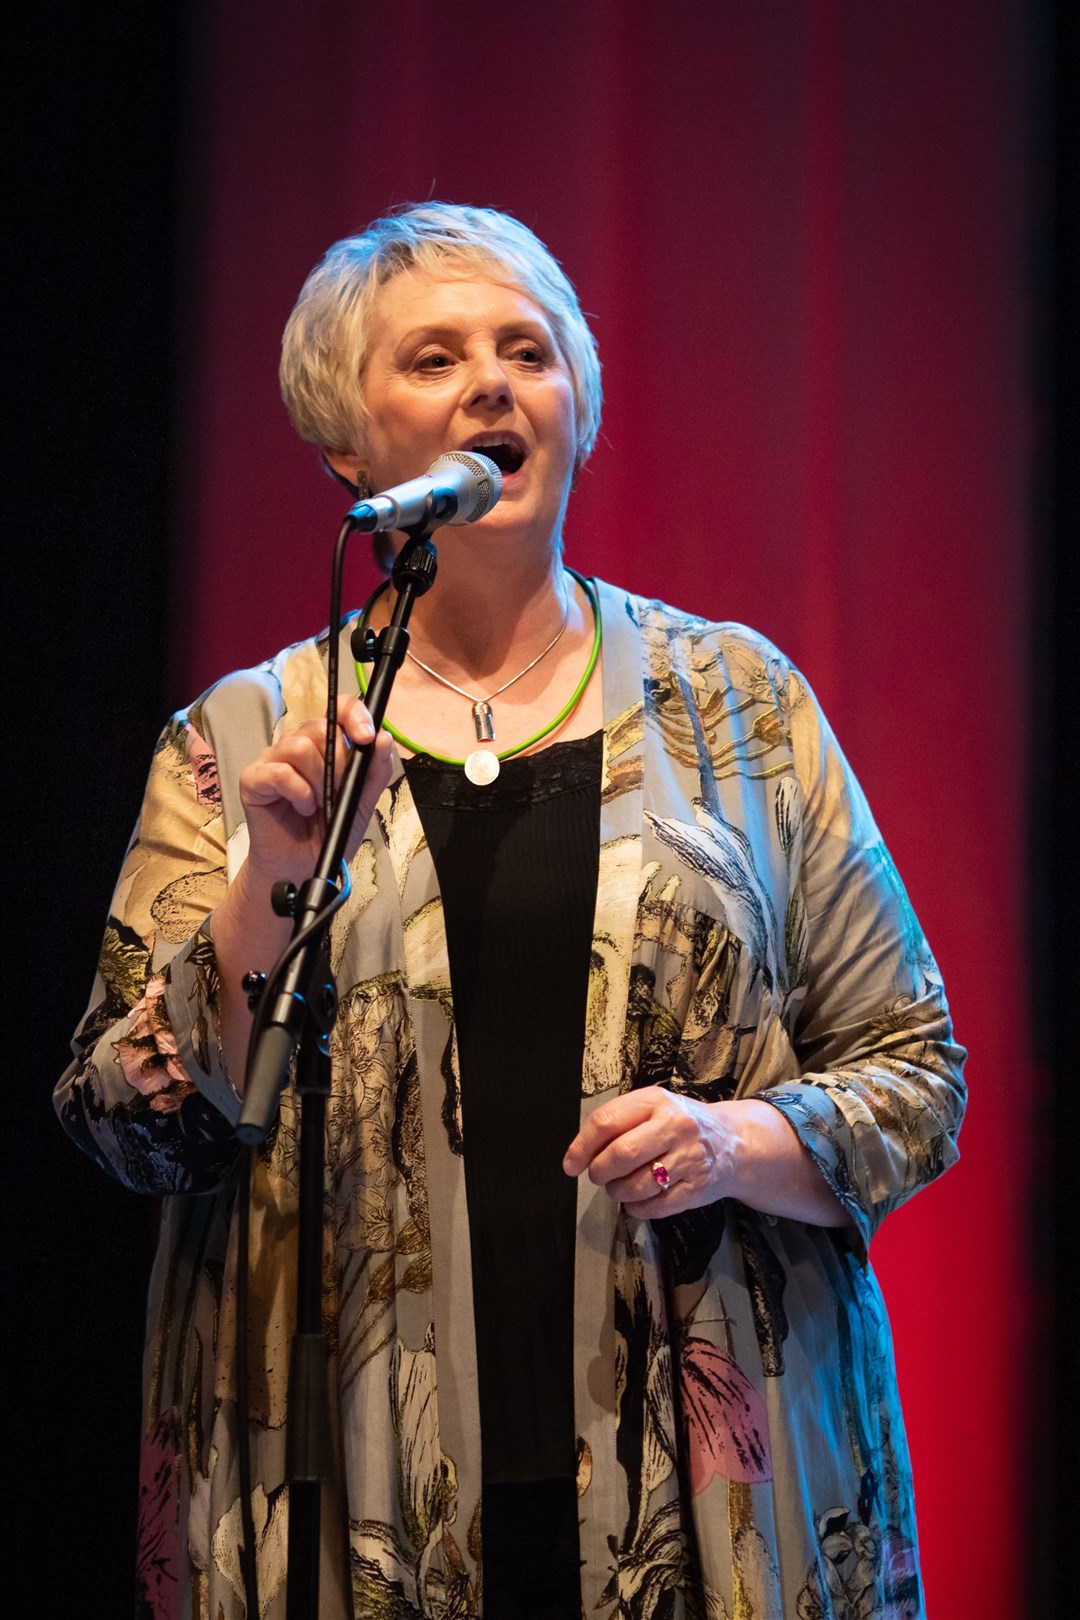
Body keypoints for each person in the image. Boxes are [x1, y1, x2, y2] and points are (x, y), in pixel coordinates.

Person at [56, 203, 966, 1620]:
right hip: (344, 1507)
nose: (492, 382)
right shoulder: (243, 739)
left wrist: (736, 1140)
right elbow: (131, 1126)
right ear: (346, 450)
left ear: (574, 409)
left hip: (712, 1500)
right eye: (433, 357)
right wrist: (267, 882)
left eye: (526, 351)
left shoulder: (738, 706)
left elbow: (917, 1078)